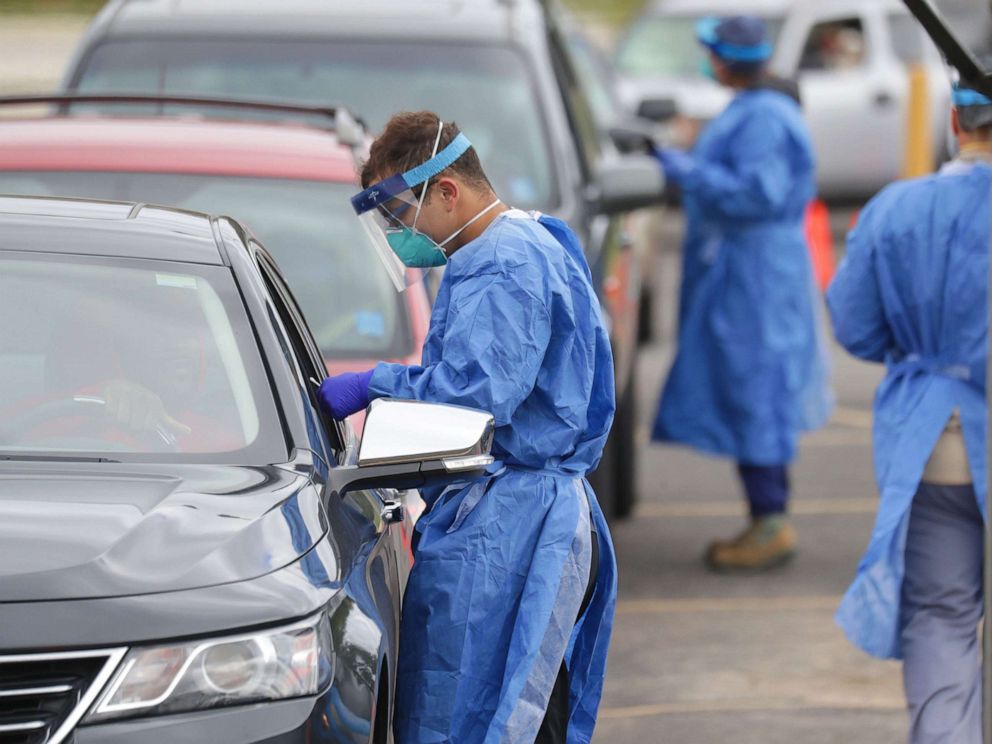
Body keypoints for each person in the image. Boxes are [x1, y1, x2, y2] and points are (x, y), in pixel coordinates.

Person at [317, 111, 618, 744]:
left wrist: (374, 384)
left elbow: (471, 400)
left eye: (401, 216)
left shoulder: (502, 265)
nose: (400, 235)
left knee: (487, 713)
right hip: (513, 512)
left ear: (447, 192)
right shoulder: (519, 241)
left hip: (513, 528)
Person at [827, 73, 992, 744]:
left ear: (955, 122)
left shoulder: (897, 209)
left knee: (941, 617)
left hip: (935, 444)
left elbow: (856, 323)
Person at [651, 15, 831, 571]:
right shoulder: (752, 109)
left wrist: (686, 171)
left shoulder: (764, 118)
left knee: (759, 388)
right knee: (749, 386)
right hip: (747, 269)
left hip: (759, 273)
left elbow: (757, 194)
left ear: (725, 58)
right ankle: (764, 514)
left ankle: (770, 519)